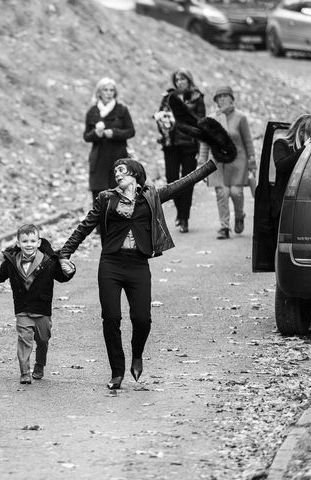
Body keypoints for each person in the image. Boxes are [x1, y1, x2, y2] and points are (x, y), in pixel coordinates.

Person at [58, 101, 236, 390]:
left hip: (138, 264)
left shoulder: (152, 196)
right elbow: (85, 226)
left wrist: (212, 164)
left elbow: (184, 181)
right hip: (111, 264)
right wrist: (65, 252)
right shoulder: (106, 198)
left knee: (142, 319)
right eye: (116, 172)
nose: (118, 174)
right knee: (111, 317)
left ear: (136, 175)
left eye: (123, 171)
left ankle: (137, 354)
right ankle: (117, 371)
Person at [0, 224, 75, 384]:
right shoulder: (11, 262)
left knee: (43, 340)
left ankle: (40, 365)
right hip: (23, 309)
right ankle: (24, 372)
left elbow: (61, 276)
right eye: (25, 241)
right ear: (18, 243)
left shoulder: (49, 261)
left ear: (39, 242)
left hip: (43, 309)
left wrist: (69, 269)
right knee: (24, 339)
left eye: (32, 241)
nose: (29, 244)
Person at [198, 86, 256, 240]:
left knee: (236, 192)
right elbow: (205, 143)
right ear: (216, 101)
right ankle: (224, 227)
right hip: (218, 162)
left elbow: (248, 141)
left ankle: (239, 215)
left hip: (238, 161)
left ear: (231, 99)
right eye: (219, 97)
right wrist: (202, 162)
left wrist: (252, 162)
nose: (222, 99)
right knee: (222, 193)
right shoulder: (211, 119)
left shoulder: (240, 117)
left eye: (225, 96)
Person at [156, 68, 206, 233]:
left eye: (182, 79)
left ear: (189, 81)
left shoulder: (197, 98)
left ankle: (184, 217)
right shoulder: (168, 97)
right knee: (171, 180)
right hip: (170, 144)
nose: (179, 83)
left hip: (189, 145)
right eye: (177, 80)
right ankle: (179, 212)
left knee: (187, 182)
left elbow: (201, 122)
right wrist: (163, 120)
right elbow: (160, 117)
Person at [84, 77, 136, 207]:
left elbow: (131, 131)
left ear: (115, 92)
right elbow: (86, 136)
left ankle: (118, 227)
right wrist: (97, 133)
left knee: (119, 198)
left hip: (118, 159)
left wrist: (114, 133)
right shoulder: (93, 111)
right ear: (99, 92)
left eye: (111, 90)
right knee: (99, 201)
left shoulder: (122, 109)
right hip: (99, 161)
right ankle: (100, 228)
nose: (108, 93)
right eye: (105, 90)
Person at [271, 113, 311, 246]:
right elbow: (281, 166)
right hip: (284, 202)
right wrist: (304, 149)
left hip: (304, 199)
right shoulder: (281, 144)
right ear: (302, 132)